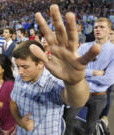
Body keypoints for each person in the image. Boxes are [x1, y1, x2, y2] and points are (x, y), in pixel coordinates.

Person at [10, 4, 100, 135]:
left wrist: (74, 82)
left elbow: (76, 100)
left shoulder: (52, 83)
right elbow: (13, 102)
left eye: (25, 67)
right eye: (18, 66)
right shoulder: (20, 77)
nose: (20, 71)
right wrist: (20, 121)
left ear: (40, 63)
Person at [64, 17, 114, 135]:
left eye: (102, 27)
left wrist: (83, 74)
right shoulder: (84, 47)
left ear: (109, 30)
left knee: (91, 127)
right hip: (80, 92)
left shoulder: (113, 51)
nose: (98, 29)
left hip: (98, 96)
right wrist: (94, 73)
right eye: (96, 27)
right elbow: (73, 68)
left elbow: (109, 79)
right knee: (68, 120)